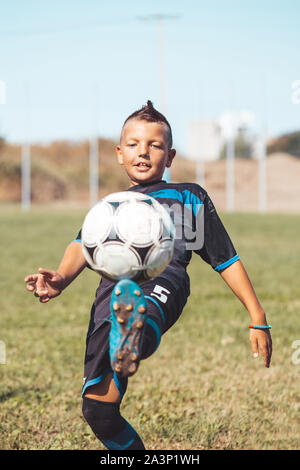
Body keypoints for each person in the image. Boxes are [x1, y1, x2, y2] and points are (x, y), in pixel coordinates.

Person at [24, 100, 272, 451]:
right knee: (98, 410)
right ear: (119, 154)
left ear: (170, 156)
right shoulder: (109, 207)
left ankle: (134, 333)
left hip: (163, 278)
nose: (143, 152)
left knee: (143, 314)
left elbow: (225, 258)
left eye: (155, 145)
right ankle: (126, 336)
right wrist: (61, 278)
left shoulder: (188, 196)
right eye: (134, 145)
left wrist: (257, 316)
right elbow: (81, 245)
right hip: (111, 299)